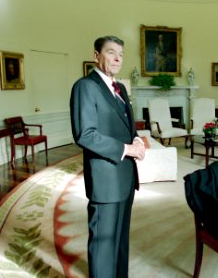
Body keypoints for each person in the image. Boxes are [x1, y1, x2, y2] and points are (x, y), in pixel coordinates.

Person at [70, 35, 146, 278]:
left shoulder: (120, 87)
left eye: (121, 54)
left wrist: (135, 139)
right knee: (103, 243)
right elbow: (85, 134)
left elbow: (126, 125)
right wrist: (126, 149)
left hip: (125, 178)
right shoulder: (85, 86)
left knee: (120, 241)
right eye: (111, 52)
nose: (117, 58)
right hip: (105, 179)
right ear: (96, 56)